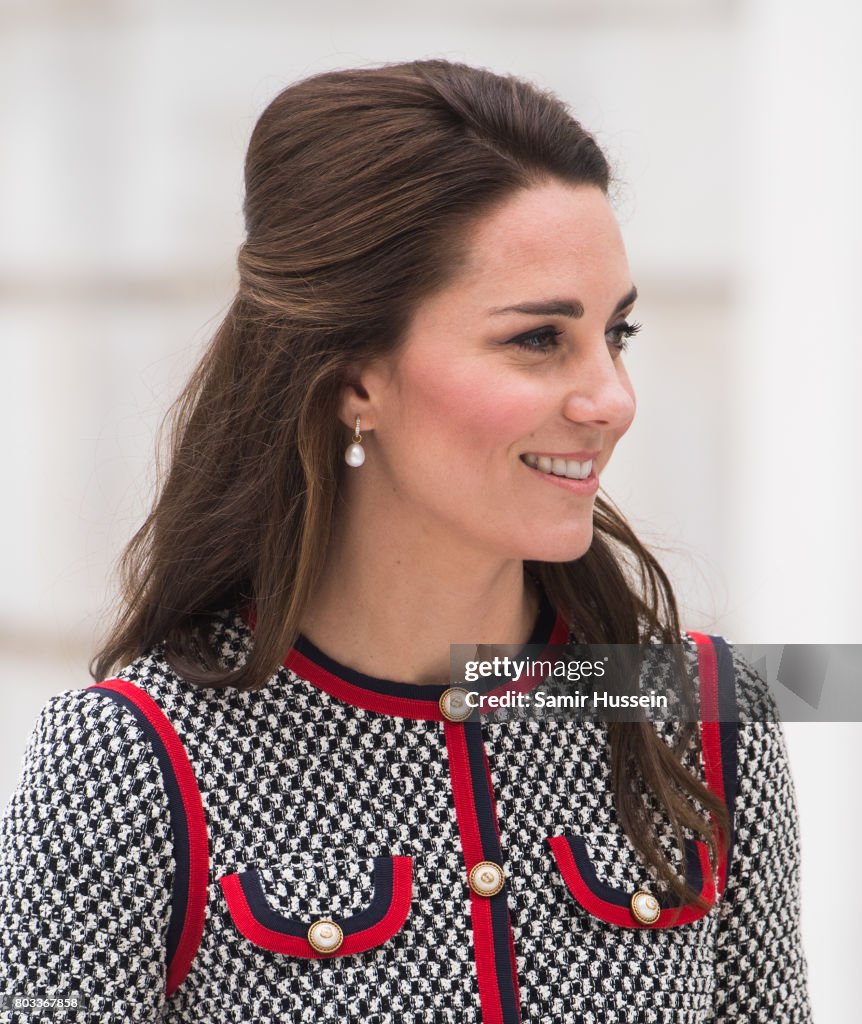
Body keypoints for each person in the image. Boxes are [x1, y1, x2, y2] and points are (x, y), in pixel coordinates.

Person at [0, 59, 812, 1023]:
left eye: (616, 334)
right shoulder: (131, 766)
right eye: (539, 339)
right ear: (354, 380)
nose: (612, 400)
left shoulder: (699, 718)